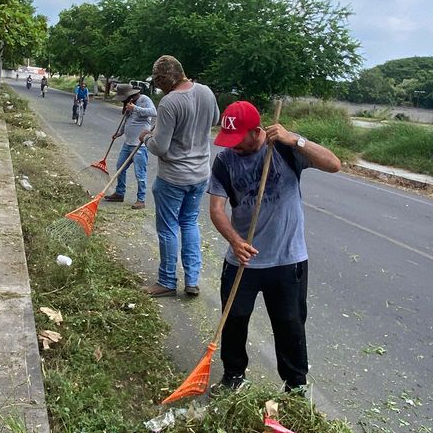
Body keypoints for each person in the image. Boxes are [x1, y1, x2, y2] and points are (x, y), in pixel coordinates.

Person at [207, 100, 341, 392]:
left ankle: (295, 386)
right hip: (242, 259)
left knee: (290, 324)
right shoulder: (224, 161)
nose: (233, 147)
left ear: (257, 131)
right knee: (234, 320)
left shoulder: (284, 149)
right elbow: (216, 209)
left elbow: (334, 164)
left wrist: (296, 139)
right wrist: (235, 240)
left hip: (287, 259)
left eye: (237, 140)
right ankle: (233, 376)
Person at [138, 55, 220, 297]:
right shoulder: (205, 91)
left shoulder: (169, 102)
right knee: (189, 223)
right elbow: (214, 119)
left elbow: (160, 147)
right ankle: (192, 280)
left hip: (173, 177)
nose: (158, 85)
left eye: (158, 81)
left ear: (165, 79)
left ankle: (167, 281)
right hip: (200, 174)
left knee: (168, 228)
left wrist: (145, 137)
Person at [105, 84, 157, 210]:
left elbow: (153, 112)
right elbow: (127, 120)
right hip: (127, 143)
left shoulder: (144, 100)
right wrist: (120, 132)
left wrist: (135, 108)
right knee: (120, 168)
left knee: (140, 173)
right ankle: (120, 193)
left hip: (139, 145)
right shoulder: (129, 103)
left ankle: (141, 199)